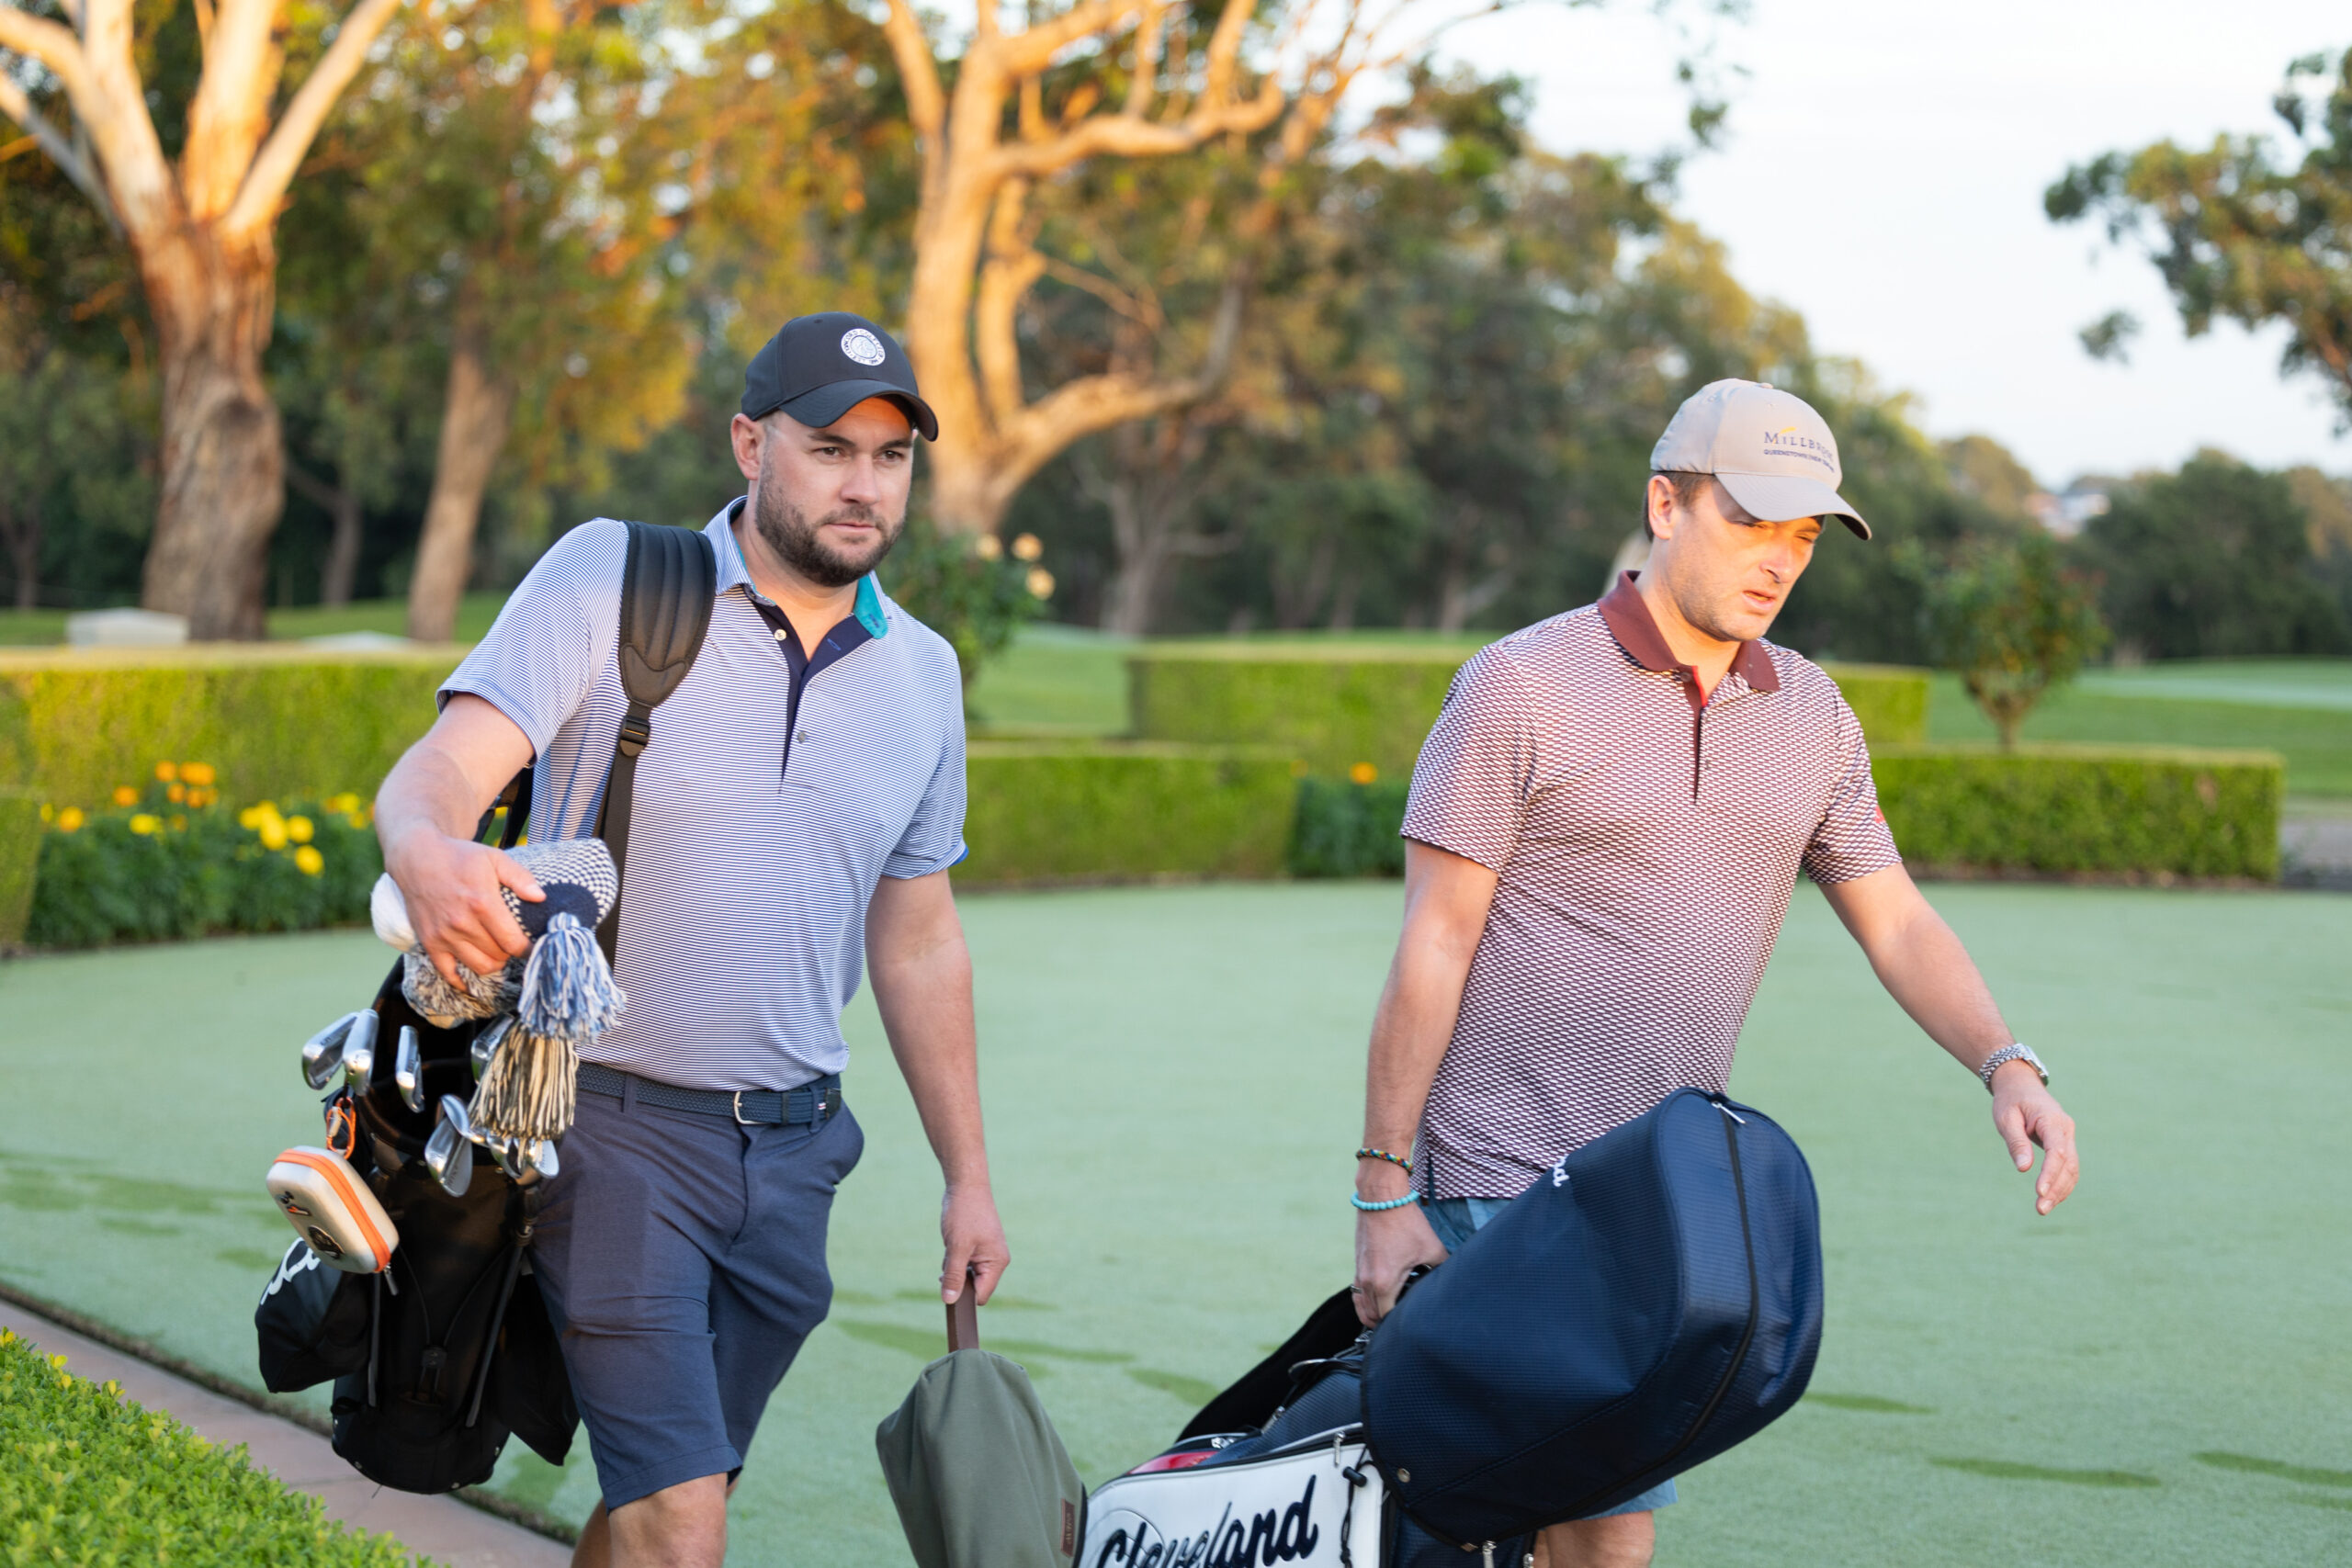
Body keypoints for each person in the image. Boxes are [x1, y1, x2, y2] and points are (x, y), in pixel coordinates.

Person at [1348, 379, 2080, 1568]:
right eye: (1751, 522)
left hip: (1660, 1200)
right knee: (1596, 1532)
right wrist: (1384, 1194)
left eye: (1803, 536)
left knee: (1568, 1534)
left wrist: (2007, 1063)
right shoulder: (1519, 683)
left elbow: (1896, 919)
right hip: (1497, 1179)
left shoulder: (1813, 716)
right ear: (1665, 506)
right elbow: (1433, 943)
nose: (1779, 560)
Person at [373, 312, 1009, 1568]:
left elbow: (920, 940)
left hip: (797, 1153)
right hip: (608, 1131)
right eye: (831, 448)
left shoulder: (926, 676)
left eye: (890, 457)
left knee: (670, 1489)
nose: (864, 485)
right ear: (749, 445)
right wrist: (424, 849)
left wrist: (968, 1175)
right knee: (685, 1527)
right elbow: (442, 769)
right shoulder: (611, 578)